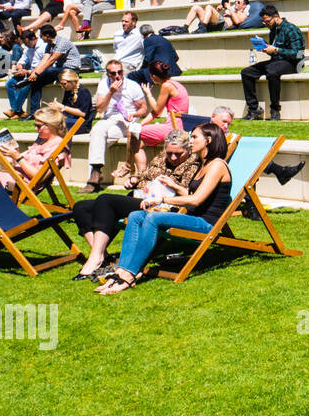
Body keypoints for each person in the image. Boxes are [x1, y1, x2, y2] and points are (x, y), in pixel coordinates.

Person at [94, 123, 234, 294]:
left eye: (195, 137)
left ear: (209, 140)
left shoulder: (217, 165)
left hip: (206, 223)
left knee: (153, 218)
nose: (191, 141)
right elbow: (189, 193)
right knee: (136, 215)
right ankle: (122, 270)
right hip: (191, 217)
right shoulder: (202, 164)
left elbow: (196, 200)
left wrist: (161, 198)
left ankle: (130, 274)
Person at [71, 127, 199, 280]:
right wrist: (135, 180)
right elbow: (145, 175)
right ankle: (101, 256)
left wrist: (173, 185)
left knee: (105, 200)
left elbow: (191, 195)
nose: (172, 157)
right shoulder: (162, 157)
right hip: (139, 197)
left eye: (178, 154)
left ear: (187, 149)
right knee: (81, 207)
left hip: (159, 206)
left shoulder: (193, 164)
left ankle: (95, 259)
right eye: (169, 152)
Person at [84, 59, 147, 192]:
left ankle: (94, 177)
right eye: (113, 73)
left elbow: (143, 109)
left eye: (120, 72)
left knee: (97, 138)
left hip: (128, 120)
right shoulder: (103, 85)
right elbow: (100, 109)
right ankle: (96, 172)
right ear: (108, 74)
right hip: (111, 120)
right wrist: (110, 92)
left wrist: (134, 115)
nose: (117, 76)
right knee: (97, 130)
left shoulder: (132, 85)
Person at [127, 58, 190, 177]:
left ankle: (137, 172)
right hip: (179, 125)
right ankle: (140, 173)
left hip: (173, 127)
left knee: (133, 134)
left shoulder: (166, 86)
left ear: (154, 76)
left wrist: (148, 94)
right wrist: (141, 125)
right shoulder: (176, 84)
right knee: (137, 138)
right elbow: (156, 113)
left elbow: (156, 109)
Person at [241, 5, 303, 121]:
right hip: (277, 61)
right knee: (246, 72)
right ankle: (254, 109)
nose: (266, 24)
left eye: (267, 21)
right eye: (264, 22)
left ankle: (275, 109)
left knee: (272, 71)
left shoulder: (291, 29)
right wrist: (265, 47)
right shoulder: (273, 30)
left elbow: (299, 54)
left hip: (293, 63)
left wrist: (276, 50)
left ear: (275, 17)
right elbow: (274, 52)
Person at [6, 24, 80, 117]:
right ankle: (34, 113)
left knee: (48, 71)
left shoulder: (62, 42)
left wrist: (36, 73)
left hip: (71, 69)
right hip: (59, 69)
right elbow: (44, 60)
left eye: (41, 35)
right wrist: (34, 74)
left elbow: (51, 60)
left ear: (47, 36)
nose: (40, 37)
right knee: (36, 82)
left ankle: (19, 102)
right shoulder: (49, 45)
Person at [0, 107, 69, 193]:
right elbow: (21, 163)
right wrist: (13, 154)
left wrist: (17, 157)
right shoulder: (42, 140)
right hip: (14, 178)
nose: (36, 129)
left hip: (21, 185)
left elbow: (38, 177)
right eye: (35, 125)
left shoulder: (58, 148)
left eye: (39, 126)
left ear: (52, 125)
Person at [47, 68, 93, 134]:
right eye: (61, 84)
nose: (62, 87)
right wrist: (57, 109)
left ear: (72, 81)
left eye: (64, 84)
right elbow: (65, 113)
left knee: (56, 124)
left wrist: (62, 107)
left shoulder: (83, 91)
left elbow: (83, 113)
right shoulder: (68, 92)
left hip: (82, 124)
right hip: (70, 121)